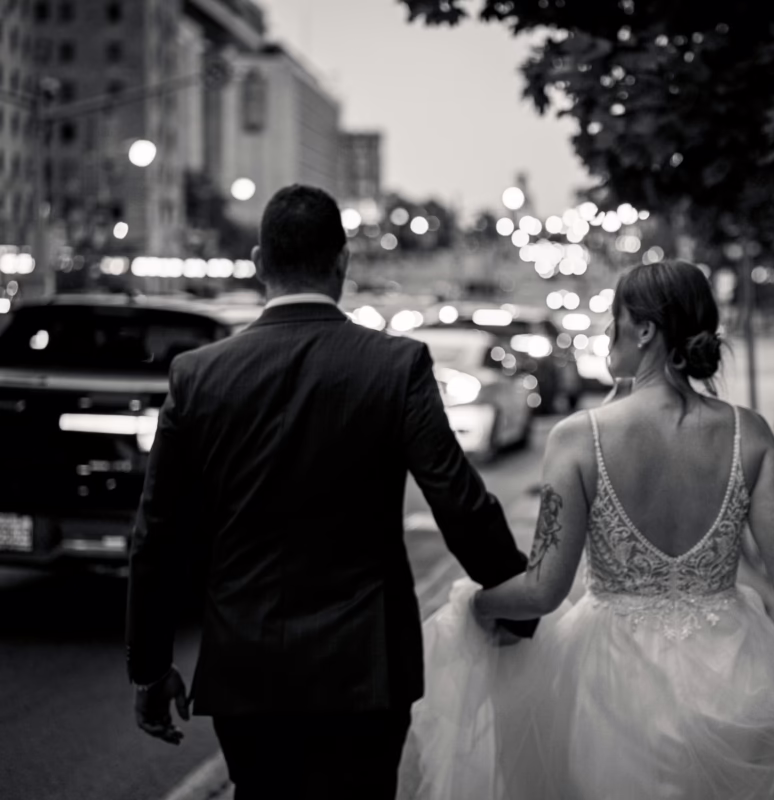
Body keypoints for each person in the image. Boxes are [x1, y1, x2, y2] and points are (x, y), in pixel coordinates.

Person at [399, 259, 774, 798]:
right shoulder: (749, 433)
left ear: (644, 330)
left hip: (608, 682)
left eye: (613, 319)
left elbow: (544, 588)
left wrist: (475, 607)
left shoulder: (579, 438)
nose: (606, 333)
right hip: (732, 668)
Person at [125, 185, 535, 800]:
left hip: (249, 668)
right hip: (366, 666)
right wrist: (516, 600)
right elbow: (458, 499)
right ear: (342, 263)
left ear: (260, 262)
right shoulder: (396, 365)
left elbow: (158, 533)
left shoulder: (197, 375)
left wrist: (151, 667)